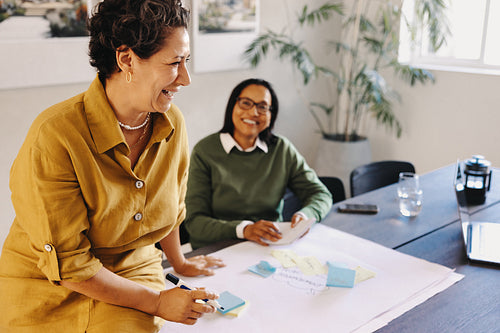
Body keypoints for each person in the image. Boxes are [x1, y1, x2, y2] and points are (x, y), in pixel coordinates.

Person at [0, 0, 224, 332]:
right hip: (46, 281)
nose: (186, 79)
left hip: (131, 270)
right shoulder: (55, 135)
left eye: (186, 61)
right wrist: (158, 302)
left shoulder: (171, 122)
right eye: (175, 62)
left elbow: (173, 206)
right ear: (126, 59)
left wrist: (179, 263)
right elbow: (70, 265)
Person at [184, 78, 333, 250]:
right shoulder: (205, 151)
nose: (254, 112)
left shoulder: (281, 149)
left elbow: (321, 194)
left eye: (262, 107)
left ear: (271, 115)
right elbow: (195, 223)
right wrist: (244, 229)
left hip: (270, 246)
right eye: (246, 103)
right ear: (233, 105)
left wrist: (305, 215)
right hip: (218, 249)